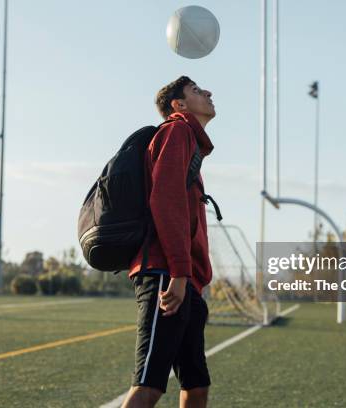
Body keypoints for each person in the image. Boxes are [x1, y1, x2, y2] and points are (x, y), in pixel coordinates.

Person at [121, 76, 217, 408]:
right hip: (166, 274)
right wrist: (178, 273)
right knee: (149, 386)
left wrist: (191, 277)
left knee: (196, 385)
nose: (208, 93)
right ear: (178, 105)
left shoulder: (189, 139)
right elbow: (164, 201)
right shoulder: (176, 131)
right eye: (196, 91)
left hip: (182, 277)